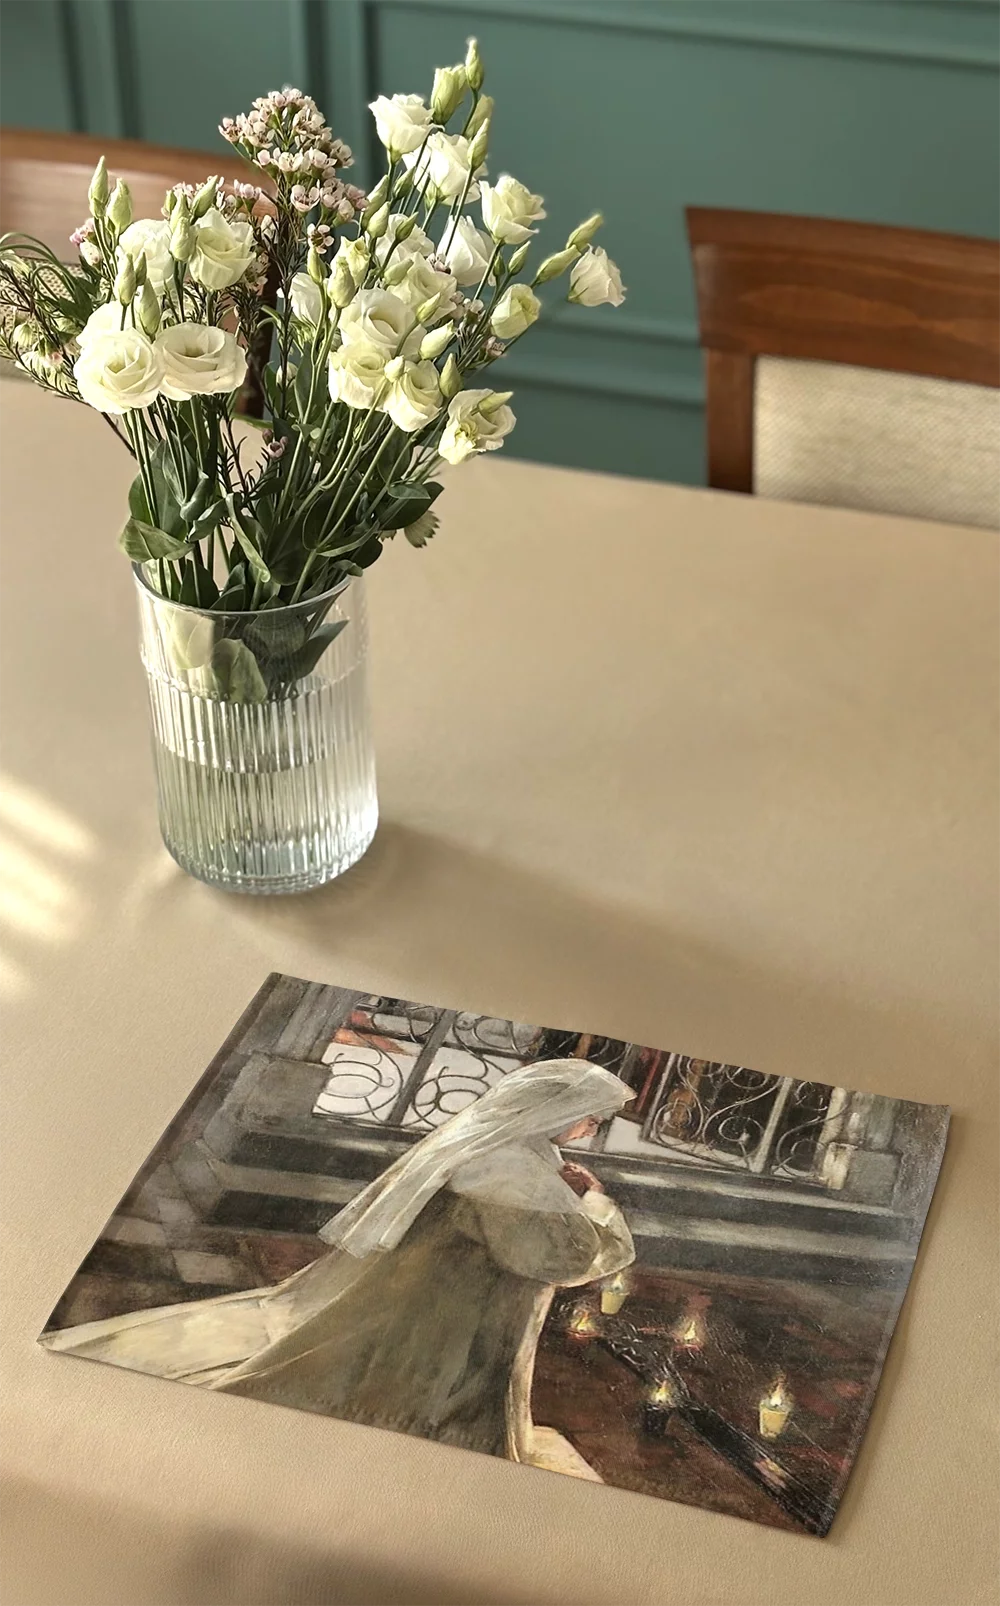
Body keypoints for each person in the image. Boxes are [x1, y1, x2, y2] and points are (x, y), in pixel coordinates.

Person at [40, 1060, 636, 1479]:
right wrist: (595, 1203)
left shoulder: (511, 1150)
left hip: (436, 1293)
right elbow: (559, 1259)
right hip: (454, 1309)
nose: (591, 1129)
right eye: (592, 1117)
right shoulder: (510, 1167)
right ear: (560, 1111)